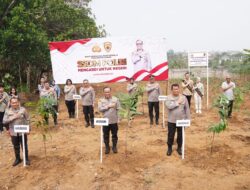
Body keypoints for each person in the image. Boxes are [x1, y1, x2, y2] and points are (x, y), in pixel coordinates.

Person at [3, 97, 30, 166]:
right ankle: (18, 159)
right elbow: (4, 121)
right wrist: (13, 117)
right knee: (16, 145)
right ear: (11, 103)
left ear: (18, 102)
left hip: (22, 130)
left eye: (16, 102)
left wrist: (28, 129)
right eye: (13, 102)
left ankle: (26, 159)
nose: (14, 104)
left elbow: (28, 119)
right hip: (13, 131)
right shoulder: (7, 111)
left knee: (24, 145)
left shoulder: (23, 110)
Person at [165, 84, 190, 156]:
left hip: (181, 120)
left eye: (177, 89)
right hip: (171, 120)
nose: (176, 90)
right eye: (175, 89)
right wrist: (177, 102)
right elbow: (169, 106)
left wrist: (188, 119)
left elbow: (187, 109)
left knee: (180, 135)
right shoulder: (168, 98)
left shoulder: (184, 97)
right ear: (172, 90)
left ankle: (179, 148)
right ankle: (169, 148)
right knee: (170, 135)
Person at [98, 87, 120, 154]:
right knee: (105, 135)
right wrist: (108, 106)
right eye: (105, 92)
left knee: (114, 135)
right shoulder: (101, 100)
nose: (107, 93)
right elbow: (100, 109)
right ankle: (107, 147)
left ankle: (114, 146)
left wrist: (119, 118)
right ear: (104, 93)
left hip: (114, 121)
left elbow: (118, 109)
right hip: (105, 121)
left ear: (110, 92)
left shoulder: (115, 99)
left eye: (108, 92)